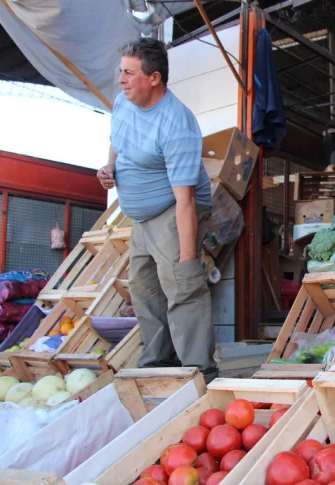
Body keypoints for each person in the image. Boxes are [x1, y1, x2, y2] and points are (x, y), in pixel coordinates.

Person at [97, 38, 218, 383]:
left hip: (173, 210)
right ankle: (156, 367)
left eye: (129, 73)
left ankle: (199, 373)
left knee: (182, 286)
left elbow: (186, 199)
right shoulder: (123, 102)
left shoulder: (177, 125)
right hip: (141, 217)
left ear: (154, 78)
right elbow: (117, 138)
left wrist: (188, 260)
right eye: (121, 71)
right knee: (144, 288)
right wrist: (109, 167)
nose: (121, 79)